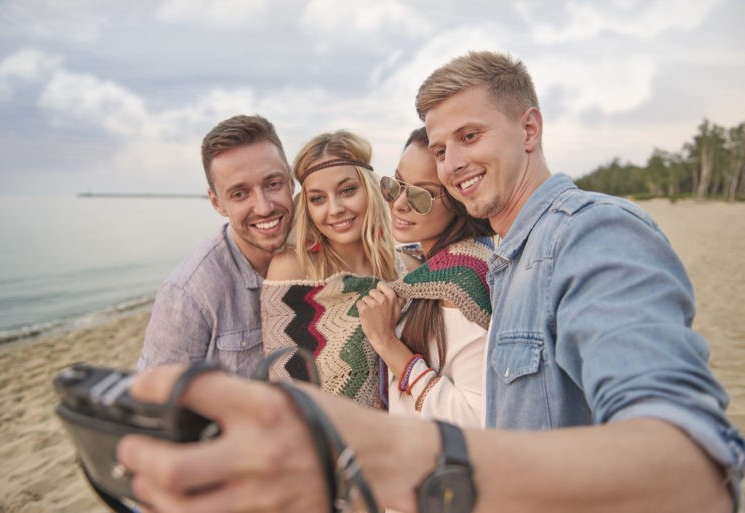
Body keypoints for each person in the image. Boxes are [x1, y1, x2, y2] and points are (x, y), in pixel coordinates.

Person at [118, 51, 744, 513]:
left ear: (530, 129)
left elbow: (694, 471)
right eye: (440, 150)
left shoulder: (591, 234)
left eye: (469, 137)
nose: (453, 164)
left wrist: (395, 450)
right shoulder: (500, 257)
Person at [136, 114, 294, 377]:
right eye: (240, 194)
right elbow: (155, 400)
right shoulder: (189, 292)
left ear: (291, 181)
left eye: (273, 184)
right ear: (216, 202)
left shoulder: (321, 251)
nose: (264, 207)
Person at [358, 127, 494, 428]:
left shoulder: (461, 285)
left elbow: (473, 420)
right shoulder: (428, 264)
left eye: (423, 195)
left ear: (460, 197)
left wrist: (387, 343)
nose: (400, 203)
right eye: (395, 185)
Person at [261, 129, 402, 408]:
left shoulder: (404, 268)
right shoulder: (291, 271)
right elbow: (283, 390)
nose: (335, 209)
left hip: (406, 437)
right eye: (318, 198)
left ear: (370, 189)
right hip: (328, 440)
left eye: (348, 190)